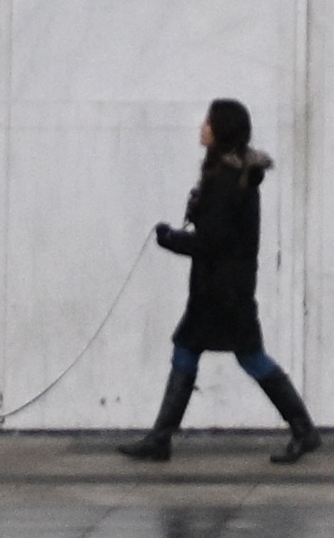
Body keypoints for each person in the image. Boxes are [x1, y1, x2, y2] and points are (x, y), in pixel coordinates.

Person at [135, 95, 318, 462]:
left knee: (247, 356)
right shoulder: (235, 177)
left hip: (221, 291)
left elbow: (212, 242)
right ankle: (160, 438)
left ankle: (303, 429)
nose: (202, 127)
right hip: (225, 289)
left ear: (221, 130)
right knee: (192, 349)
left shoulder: (226, 181)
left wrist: (170, 238)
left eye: (208, 121)